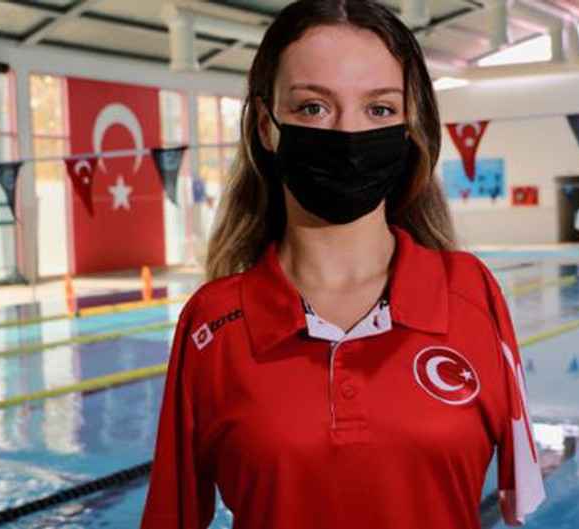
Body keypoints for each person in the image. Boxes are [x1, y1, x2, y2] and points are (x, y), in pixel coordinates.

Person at [140, 1, 544, 528]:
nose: (347, 136)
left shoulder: (471, 295)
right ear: (265, 125)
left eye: (379, 109)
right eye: (313, 107)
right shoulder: (212, 324)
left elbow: (518, 503)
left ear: (409, 125)